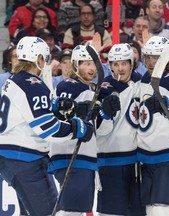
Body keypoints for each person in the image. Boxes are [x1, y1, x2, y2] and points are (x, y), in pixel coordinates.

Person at [0, 36, 93, 216]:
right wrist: (76, 128)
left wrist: (59, 104)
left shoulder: (14, 80)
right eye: (45, 57)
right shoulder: (32, 84)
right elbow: (48, 128)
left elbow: (30, 109)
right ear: (39, 59)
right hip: (23, 159)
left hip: (10, 156)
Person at [137, 36, 169, 215]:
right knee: (151, 211)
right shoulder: (144, 79)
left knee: (161, 211)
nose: (151, 62)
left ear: (166, 58)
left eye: (156, 57)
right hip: (146, 155)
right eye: (148, 57)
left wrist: (167, 104)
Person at [48, 43, 103, 215]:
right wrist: (78, 109)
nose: (91, 67)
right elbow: (60, 115)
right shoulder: (68, 86)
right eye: (85, 63)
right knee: (71, 210)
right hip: (69, 155)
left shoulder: (92, 89)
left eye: (93, 63)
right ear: (75, 65)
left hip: (85, 156)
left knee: (77, 210)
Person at [96, 43, 145, 216]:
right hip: (110, 160)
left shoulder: (142, 84)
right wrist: (105, 114)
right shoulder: (103, 89)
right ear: (109, 66)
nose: (120, 68)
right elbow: (98, 130)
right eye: (115, 64)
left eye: (124, 63)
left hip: (136, 162)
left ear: (131, 63)